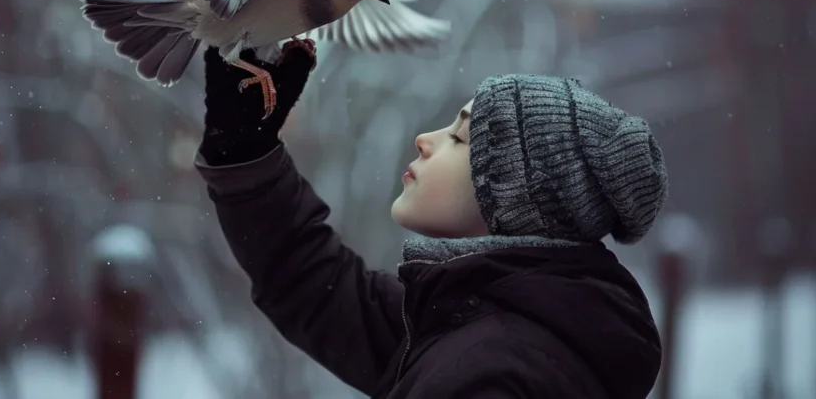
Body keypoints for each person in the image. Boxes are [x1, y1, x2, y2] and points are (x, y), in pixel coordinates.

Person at [195, 39, 668, 399]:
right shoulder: (467, 321)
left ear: (517, 201)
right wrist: (246, 156)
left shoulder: (493, 373)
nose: (426, 138)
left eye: (460, 138)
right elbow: (314, 284)